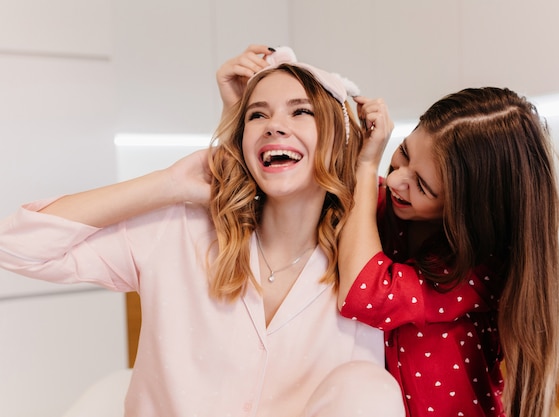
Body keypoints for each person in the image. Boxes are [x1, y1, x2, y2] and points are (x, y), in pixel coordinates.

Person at [0, 46, 404, 417]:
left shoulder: (372, 269)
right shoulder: (178, 231)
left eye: (301, 112)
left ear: (340, 137)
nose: (274, 126)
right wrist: (167, 183)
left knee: (372, 389)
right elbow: (19, 245)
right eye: (257, 114)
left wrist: (367, 167)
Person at [337, 87, 559, 417]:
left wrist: (367, 164)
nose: (396, 181)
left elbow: (365, 294)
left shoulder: (477, 267)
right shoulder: (388, 209)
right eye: (404, 153)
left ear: (468, 212)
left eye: (422, 186)